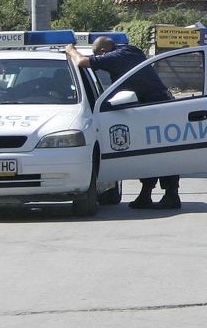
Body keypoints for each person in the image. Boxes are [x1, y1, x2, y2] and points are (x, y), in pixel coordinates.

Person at [65, 37, 181, 210]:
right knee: (152, 153)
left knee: (159, 153)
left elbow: (81, 61)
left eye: (99, 56)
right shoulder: (132, 50)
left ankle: (170, 195)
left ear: (103, 52)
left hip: (153, 108)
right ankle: (148, 194)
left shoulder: (116, 57)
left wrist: (70, 49)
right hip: (156, 106)